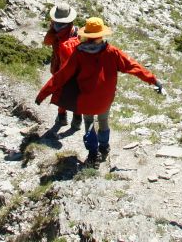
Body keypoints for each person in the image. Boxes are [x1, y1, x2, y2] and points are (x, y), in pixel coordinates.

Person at [36, 17, 164, 164]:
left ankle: (92, 153)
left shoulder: (79, 53)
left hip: (86, 98)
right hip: (105, 98)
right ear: (101, 35)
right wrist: (154, 80)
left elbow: (61, 76)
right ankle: (104, 147)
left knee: (89, 123)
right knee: (103, 121)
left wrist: (42, 94)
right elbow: (133, 66)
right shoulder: (112, 52)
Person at [42, 2, 82, 132]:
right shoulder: (77, 32)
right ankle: (77, 120)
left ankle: (61, 117)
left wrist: (52, 28)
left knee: (60, 93)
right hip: (76, 71)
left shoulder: (54, 33)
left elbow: (46, 42)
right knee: (76, 94)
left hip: (59, 68)